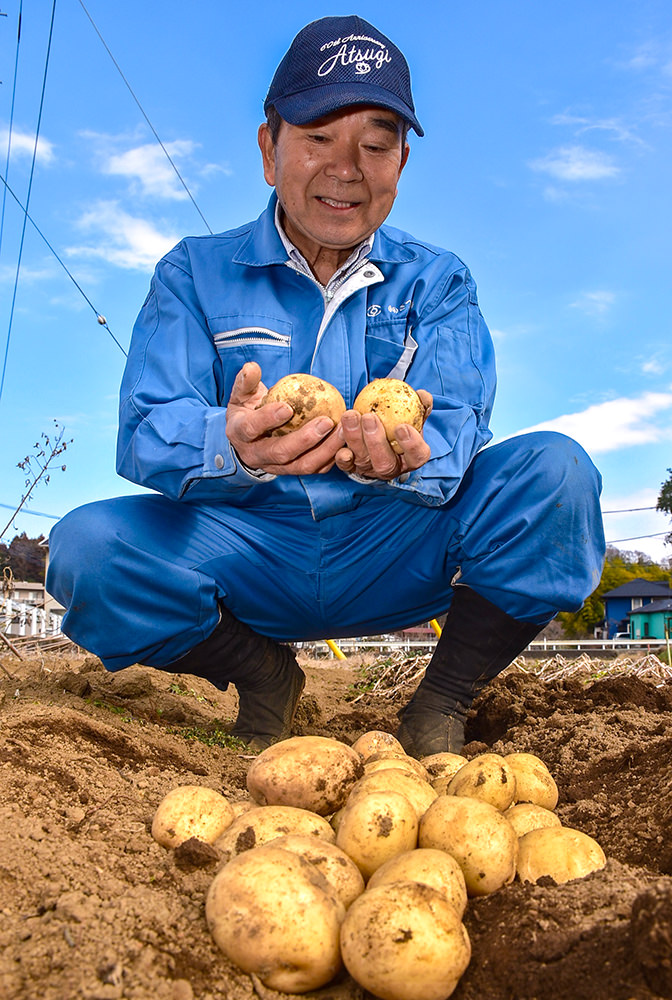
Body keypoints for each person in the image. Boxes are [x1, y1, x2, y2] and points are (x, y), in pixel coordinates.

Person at [47, 15, 605, 757]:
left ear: (400, 164)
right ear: (268, 148)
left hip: (394, 536)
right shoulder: (193, 272)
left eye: (375, 146)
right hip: (245, 539)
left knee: (557, 474)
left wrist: (409, 456)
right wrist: (233, 444)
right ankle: (262, 673)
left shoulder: (440, 282)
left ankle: (442, 700)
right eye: (317, 137)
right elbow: (148, 427)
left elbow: (461, 420)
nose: (347, 168)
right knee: (86, 549)